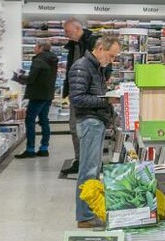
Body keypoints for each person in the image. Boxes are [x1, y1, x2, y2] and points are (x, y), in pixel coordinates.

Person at [68, 35, 120, 227]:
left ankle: (89, 212)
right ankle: (84, 217)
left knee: (94, 169)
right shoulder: (82, 67)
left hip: (96, 121)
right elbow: (78, 99)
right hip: (89, 122)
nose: (112, 60)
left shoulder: (97, 68)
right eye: (111, 56)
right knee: (88, 170)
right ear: (99, 48)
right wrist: (106, 100)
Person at [62, 18, 98, 174]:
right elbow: (70, 69)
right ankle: (80, 160)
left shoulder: (93, 42)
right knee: (74, 126)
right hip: (75, 92)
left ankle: (90, 161)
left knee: (89, 126)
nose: (66, 35)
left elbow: (103, 67)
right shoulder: (73, 46)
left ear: (77, 28)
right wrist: (68, 90)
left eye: (67, 31)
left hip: (89, 93)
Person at [14, 41, 59, 159]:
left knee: (30, 120)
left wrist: (19, 77)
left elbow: (31, 79)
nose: (34, 49)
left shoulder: (38, 60)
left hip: (37, 95)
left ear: (40, 48)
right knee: (44, 120)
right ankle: (44, 148)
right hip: (48, 94)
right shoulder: (53, 60)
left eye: (35, 46)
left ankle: (30, 149)